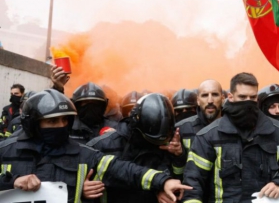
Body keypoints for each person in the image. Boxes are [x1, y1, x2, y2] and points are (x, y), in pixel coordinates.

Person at [0, 89, 191, 203]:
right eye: (51, 122)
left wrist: (163, 181)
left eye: (64, 120)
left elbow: (125, 170)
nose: (60, 126)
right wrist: (12, 182)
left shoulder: (85, 154)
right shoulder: (5, 151)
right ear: (33, 123)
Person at [182, 72, 279, 203]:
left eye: (252, 97)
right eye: (242, 97)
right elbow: (193, 183)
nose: (248, 102)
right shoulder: (209, 136)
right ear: (230, 97)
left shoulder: (278, 132)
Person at [87, 93, 187, 203]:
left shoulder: (169, 144)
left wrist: (179, 156)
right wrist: (81, 189)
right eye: (151, 139)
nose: (156, 144)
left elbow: (178, 180)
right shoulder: (103, 145)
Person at [176, 79, 224, 151]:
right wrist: (179, 155)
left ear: (223, 99)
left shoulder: (234, 127)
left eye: (215, 94)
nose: (210, 101)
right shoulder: (181, 129)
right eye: (205, 95)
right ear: (198, 100)